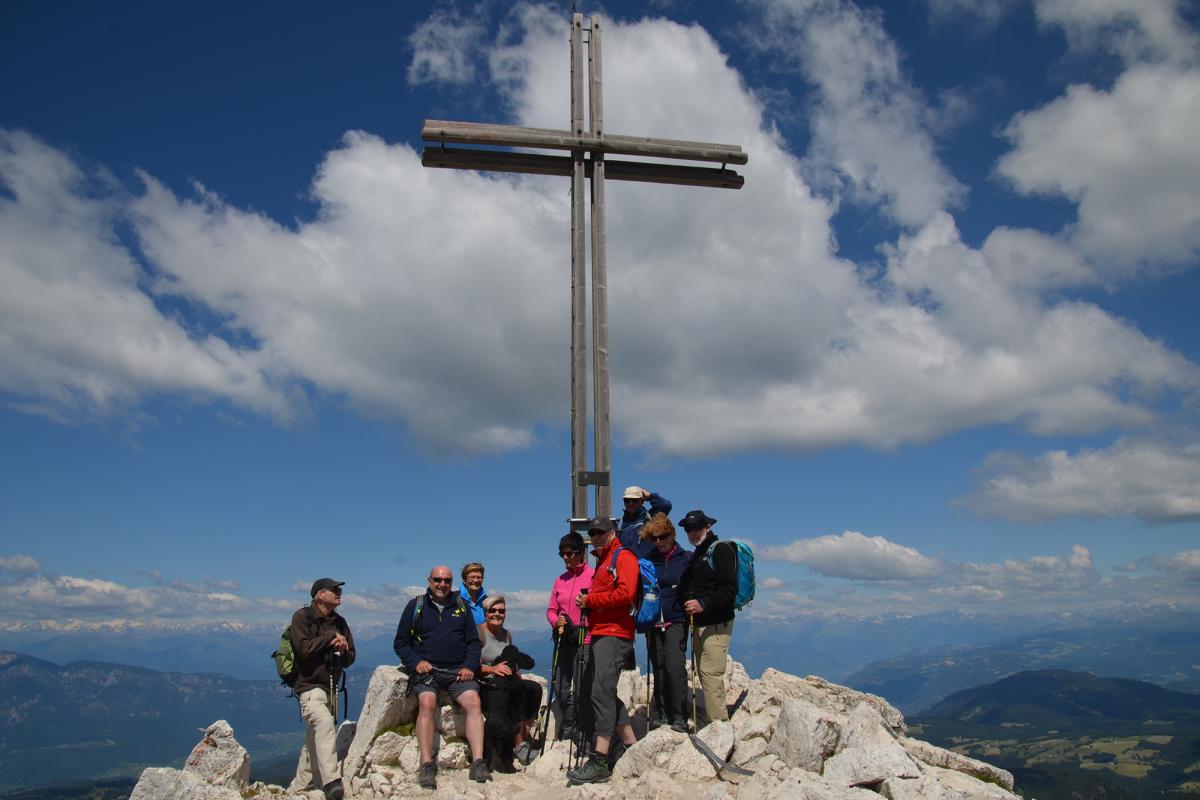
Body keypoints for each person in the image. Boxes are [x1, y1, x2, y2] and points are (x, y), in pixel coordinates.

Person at [393, 566, 491, 789]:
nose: (442, 584)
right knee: (427, 702)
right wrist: (416, 662)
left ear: (452, 582)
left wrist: (468, 665)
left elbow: (473, 642)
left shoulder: (461, 606)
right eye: (437, 580)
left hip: (458, 671)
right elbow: (400, 642)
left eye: (447, 580)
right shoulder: (416, 606)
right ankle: (427, 764)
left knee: (474, 702)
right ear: (429, 581)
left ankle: (478, 761)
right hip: (428, 671)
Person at [566, 518, 639, 785]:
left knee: (599, 690)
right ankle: (631, 745)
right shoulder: (604, 559)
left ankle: (600, 758)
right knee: (604, 690)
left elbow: (626, 593)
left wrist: (590, 600)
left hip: (615, 633)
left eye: (600, 532)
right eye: (592, 533)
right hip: (602, 632)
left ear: (612, 532)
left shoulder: (623, 557)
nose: (595, 536)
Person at [288, 578, 356, 800]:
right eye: (334, 590)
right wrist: (330, 638)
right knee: (325, 724)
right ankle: (332, 783)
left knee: (314, 740)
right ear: (319, 595)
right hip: (309, 687)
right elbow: (303, 650)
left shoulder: (340, 622)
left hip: (331, 687)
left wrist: (343, 648)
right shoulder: (302, 617)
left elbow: (350, 658)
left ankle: (299, 789)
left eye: (339, 590)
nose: (339, 593)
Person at [677, 509, 738, 726]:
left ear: (708, 527)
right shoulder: (698, 554)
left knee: (710, 673)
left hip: (717, 622)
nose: (692, 532)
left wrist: (703, 604)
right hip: (700, 624)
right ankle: (716, 723)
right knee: (705, 673)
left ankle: (719, 727)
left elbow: (730, 589)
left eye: (697, 528)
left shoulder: (720, 550)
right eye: (688, 529)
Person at [477, 595, 543, 764]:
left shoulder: (507, 635)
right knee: (515, 694)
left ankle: (524, 734)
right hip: (487, 682)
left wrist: (517, 673)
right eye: (493, 611)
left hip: (507, 680)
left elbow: (512, 660)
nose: (497, 614)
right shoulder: (479, 633)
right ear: (485, 613)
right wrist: (493, 668)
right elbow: (473, 666)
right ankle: (518, 744)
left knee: (534, 688)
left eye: (501, 611)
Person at [640, 514, 691, 733]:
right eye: (654, 538)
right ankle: (661, 712)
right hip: (653, 621)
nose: (658, 542)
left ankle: (678, 714)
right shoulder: (649, 559)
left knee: (674, 665)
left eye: (662, 537)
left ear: (672, 535)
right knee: (658, 666)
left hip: (676, 619)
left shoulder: (685, 558)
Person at [545, 531, 594, 741]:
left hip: (585, 639)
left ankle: (580, 731)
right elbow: (551, 609)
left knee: (583, 687)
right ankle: (570, 725)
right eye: (561, 554)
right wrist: (557, 621)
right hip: (563, 639)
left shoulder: (593, 576)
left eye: (568, 553)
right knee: (560, 686)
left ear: (580, 553)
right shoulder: (560, 580)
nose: (565, 558)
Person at [617, 486, 672, 559]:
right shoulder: (620, 524)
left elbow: (666, 506)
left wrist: (650, 496)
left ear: (642, 501)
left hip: (649, 568)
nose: (630, 503)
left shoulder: (651, 517)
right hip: (628, 569)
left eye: (634, 500)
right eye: (627, 500)